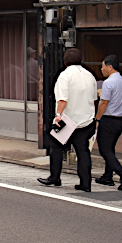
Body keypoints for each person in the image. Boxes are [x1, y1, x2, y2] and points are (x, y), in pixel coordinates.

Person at [39, 47, 98, 191]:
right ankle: (85, 183)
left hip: (67, 120)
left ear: (65, 62)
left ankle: (55, 177)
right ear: (81, 60)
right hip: (87, 120)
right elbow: (94, 98)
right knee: (83, 151)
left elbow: (62, 99)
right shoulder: (90, 75)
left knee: (56, 147)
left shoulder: (65, 75)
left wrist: (58, 115)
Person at [95, 55, 122, 190]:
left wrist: (97, 119)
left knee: (104, 149)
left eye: (103, 66)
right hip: (119, 120)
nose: (101, 69)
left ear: (110, 67)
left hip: (108, 119)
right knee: (110, 148)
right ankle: (107, 176)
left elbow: (104, 102)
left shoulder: (108, 83)